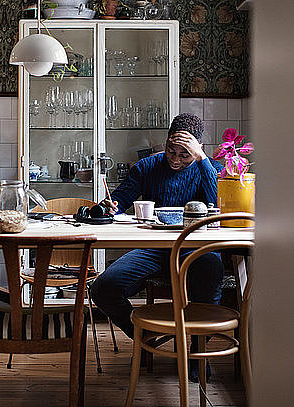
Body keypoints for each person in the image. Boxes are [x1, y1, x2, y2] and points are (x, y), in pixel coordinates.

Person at [89, 113, 223, 378]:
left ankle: (196, 353)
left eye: (184, 154)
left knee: (209, 277)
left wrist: (203, 161)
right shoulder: (147, 166)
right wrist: (109, 206)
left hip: (197, 249)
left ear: (198, 149)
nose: (174, 159)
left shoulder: (209, 168)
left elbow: (215, 206)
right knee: (103, 288)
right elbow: (119, 202)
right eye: (171, 150)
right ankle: (145, 337)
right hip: (154, 247)